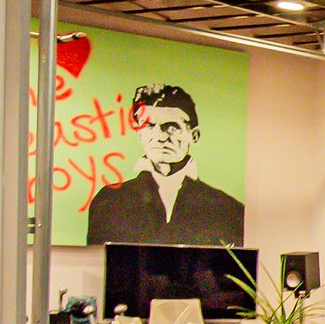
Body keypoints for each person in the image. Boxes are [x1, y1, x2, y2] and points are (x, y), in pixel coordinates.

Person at [84, 83, 247, 245]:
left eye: (171, 127)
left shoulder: (228, 209)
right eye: (148, 126)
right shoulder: (109, 201)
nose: (160, 136)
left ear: (194, 135)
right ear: (139, 133)